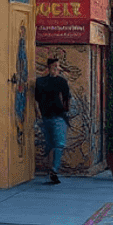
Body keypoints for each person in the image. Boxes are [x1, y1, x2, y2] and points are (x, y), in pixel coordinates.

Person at [33, 56, 71, 184]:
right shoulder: (40, 82)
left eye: (58, 67)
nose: (57, 69)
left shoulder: (61, 82)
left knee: (59, 144)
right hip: (45, 117)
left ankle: (54, 170)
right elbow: (36, 98)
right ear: (48, 67)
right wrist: (38, 112)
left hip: (58, 116)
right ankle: (50, 171)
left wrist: (65, 110)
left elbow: (67, 98)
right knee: (49, 145)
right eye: (55, 66)